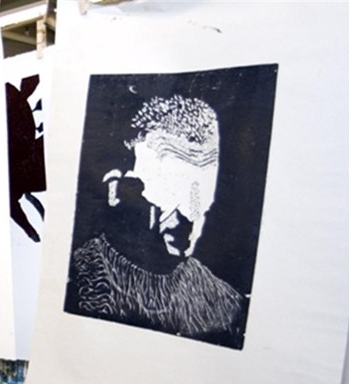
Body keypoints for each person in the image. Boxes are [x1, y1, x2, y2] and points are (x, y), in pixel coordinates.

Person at [66, 94, 245, 347]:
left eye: (201, 196)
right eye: (171, 191)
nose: (190, 217)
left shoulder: (225, 305)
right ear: (116, 189)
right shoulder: (76, 284)